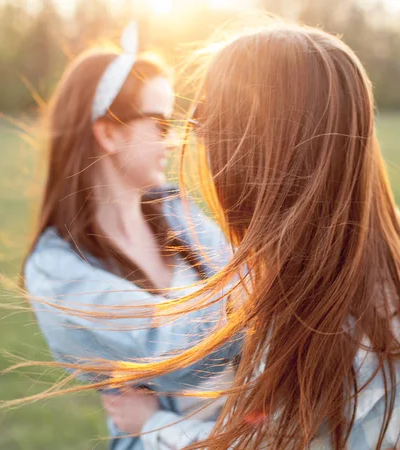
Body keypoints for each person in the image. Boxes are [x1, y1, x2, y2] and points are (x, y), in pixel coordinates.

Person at [22, 21, 400, 450]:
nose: (184, 143)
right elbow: (163, 345)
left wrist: (152, 425)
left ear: (262, 152)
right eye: (162, 124)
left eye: (205, 129)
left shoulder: (308, 295)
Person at [21, 23, 238, 450]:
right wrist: (261, 284)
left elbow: (248, 301)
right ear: (109, 133)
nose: (173, 141)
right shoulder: (54, 268)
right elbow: (174, 355)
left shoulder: (176, 212)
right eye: (160, 124)